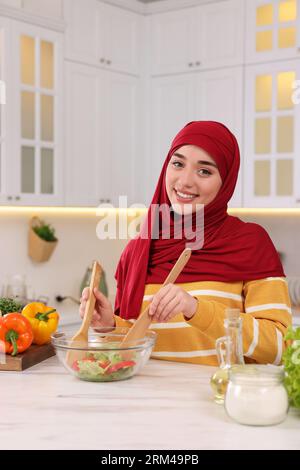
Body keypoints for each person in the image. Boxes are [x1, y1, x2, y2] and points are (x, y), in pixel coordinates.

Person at [79, 121, 291, 366]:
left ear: (226, 181)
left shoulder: (250, 243)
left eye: (205, 171)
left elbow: (280, 348)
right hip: (145, 400)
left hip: (221, 399)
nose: (185, 181)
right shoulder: (138, 250)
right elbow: (134, 350)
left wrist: (196, 309)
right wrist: (110, 326)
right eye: (178, 164)